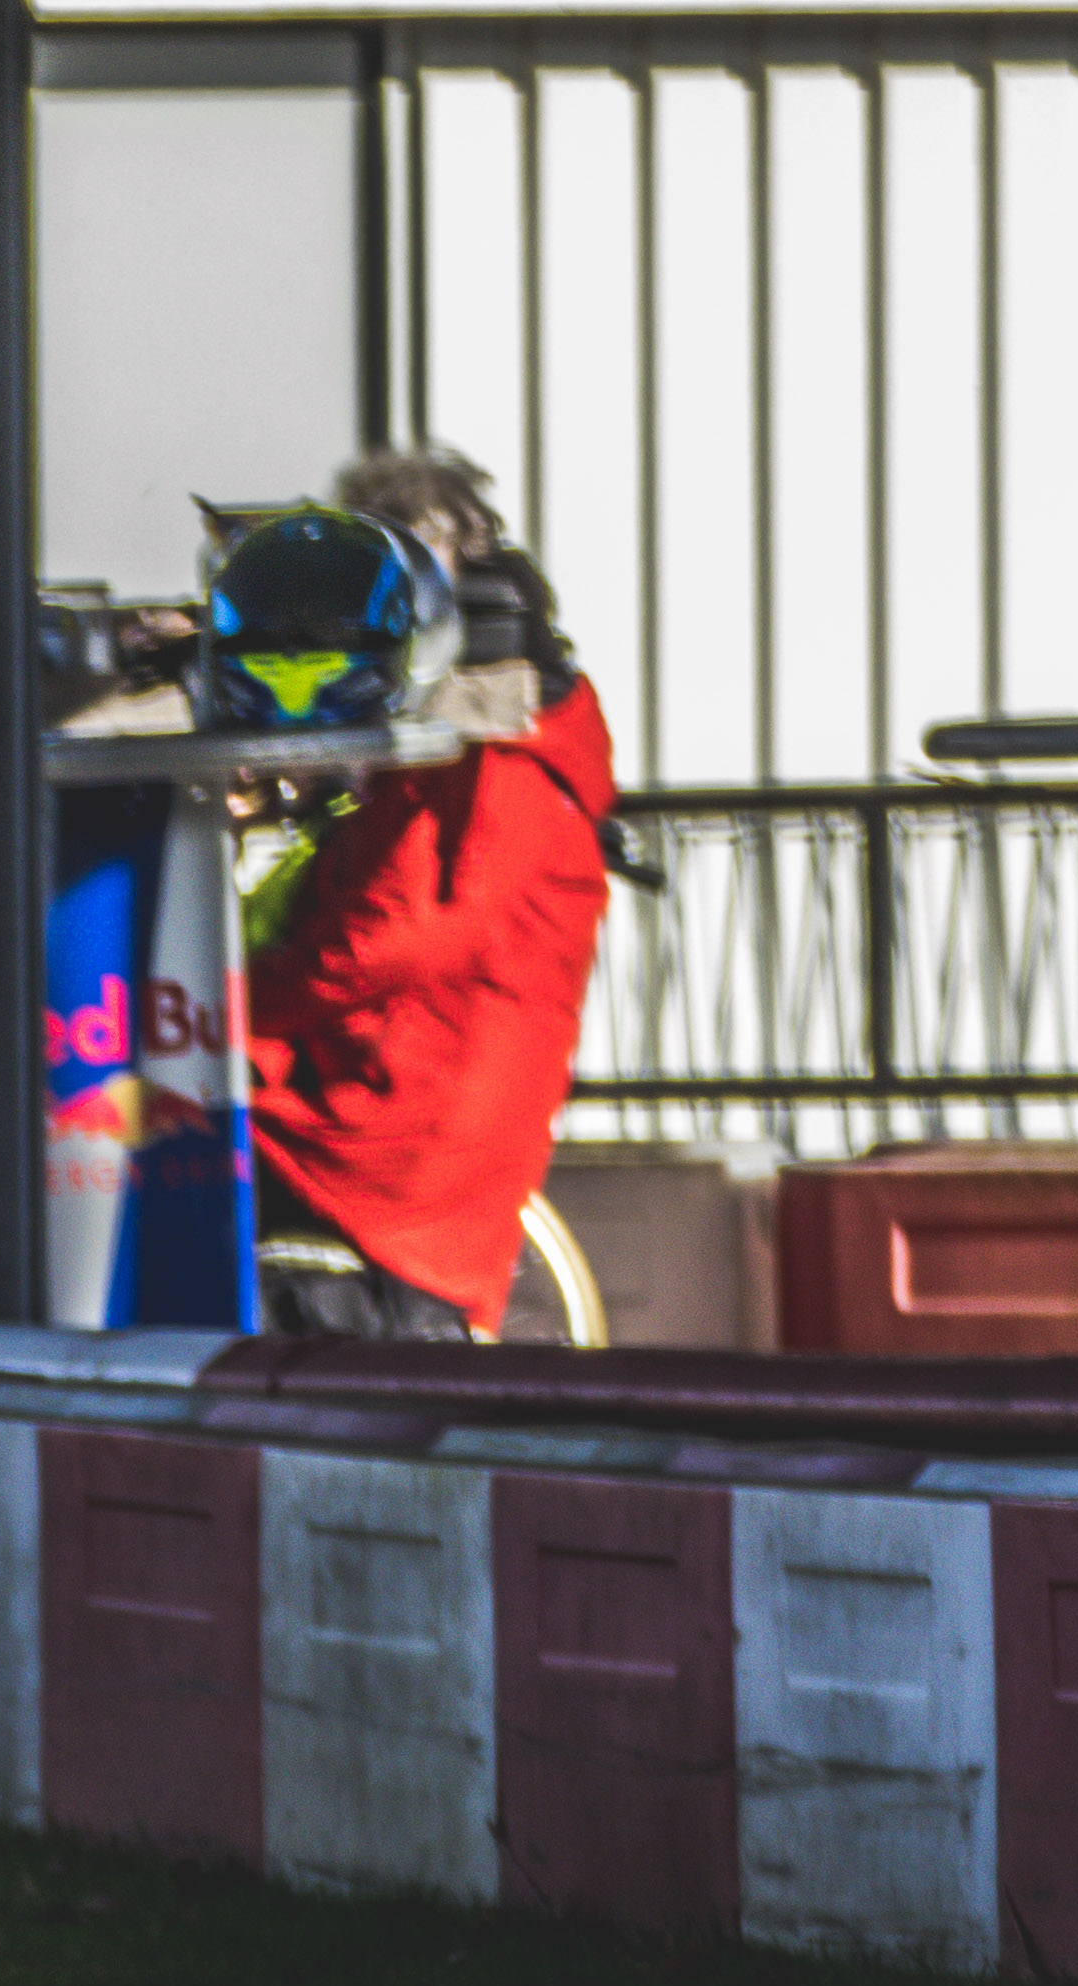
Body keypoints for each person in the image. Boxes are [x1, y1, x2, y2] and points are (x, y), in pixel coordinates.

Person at [233, 449, 617, 1343]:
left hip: (388, 1153)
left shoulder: (498, 766)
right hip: (383, 1104)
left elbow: (386, 941)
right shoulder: (463, 744)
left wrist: (225, 1014)